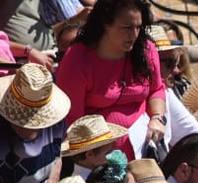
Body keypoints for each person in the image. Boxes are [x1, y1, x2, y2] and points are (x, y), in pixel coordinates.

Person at [56, 0, 167, 157]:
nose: (134, 35)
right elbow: (72, 120)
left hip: (145, 148)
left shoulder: (146, 49)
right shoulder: (77, 59)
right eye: (127, 27)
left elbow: (157, 89)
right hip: (94, 155)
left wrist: (157, 118)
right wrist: (92, 153)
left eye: (138, 27)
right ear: (105, 24)